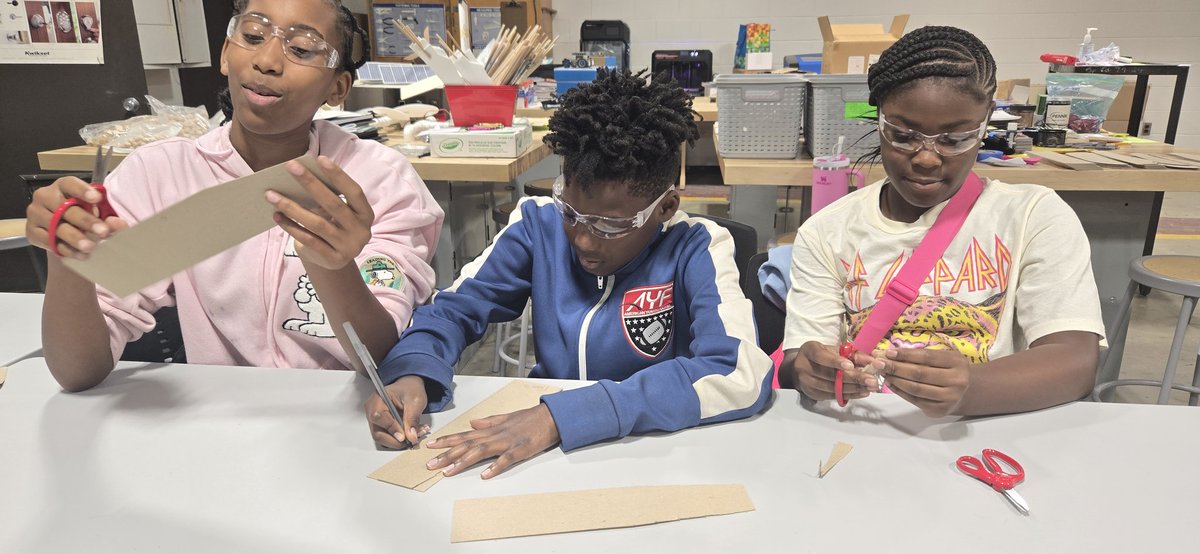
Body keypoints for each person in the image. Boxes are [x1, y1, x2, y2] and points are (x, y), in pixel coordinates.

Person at [366, 69, 773, 478]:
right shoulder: (536, 226)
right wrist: (412, 369)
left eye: (610, 226)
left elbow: (738, 372)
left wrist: (559, 418)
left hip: (653, 451)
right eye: (572, 213)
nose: (583, 241)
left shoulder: (697, 246)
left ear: (665, 208)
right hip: (550, 457)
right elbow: (450, 311)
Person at [24, 0, 442, 392]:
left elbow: (380, 357)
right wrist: (67, 258)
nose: (267, 62)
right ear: (226, 53)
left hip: (341, 417)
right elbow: (77, 372)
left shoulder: (376, 179)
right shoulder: (161, 174)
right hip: (217, 422)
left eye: (302, 49)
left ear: (338, 88)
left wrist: (333, 266)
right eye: (254, 36)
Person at [778, 26, 1105, 417]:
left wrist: (973, 389)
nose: (927, 157)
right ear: (878, 116)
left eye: (954, 139)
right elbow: (801, 355)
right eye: (902, 134)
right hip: (862, 433)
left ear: (985, 125)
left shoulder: (1033, 216)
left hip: (988, 433)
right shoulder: (827, 231)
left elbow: (1075, 359)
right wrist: (809, 371)